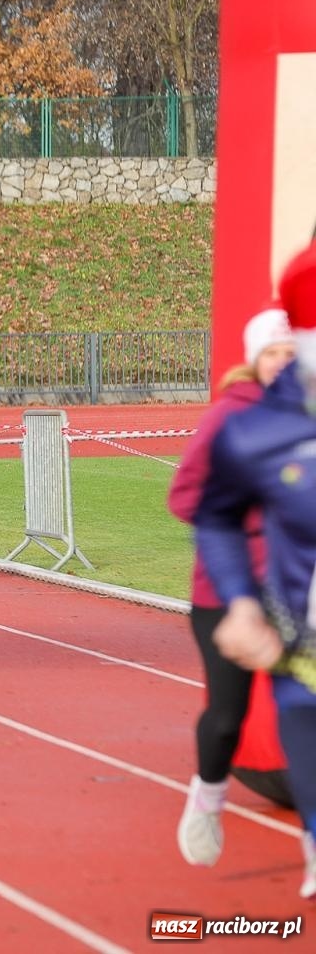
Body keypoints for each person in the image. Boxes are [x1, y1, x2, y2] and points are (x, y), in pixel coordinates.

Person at [194, 243, 316, 900]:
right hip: (265, 614)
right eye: (275, 352)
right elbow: (200, 508)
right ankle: (213, 796)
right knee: (241, 717)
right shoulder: (242, 429)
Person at [170, 306, 296, 866]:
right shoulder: (229, 418)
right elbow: (185, 498)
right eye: (274, 353)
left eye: (294, 353)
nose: (285, 364)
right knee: (228, 717)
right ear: (255, 361)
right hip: (227, 594)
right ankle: (207, 795)